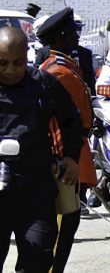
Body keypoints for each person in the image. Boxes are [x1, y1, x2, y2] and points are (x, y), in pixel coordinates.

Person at [0, 26, 82, 273]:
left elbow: (71, 121)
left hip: (35, 191)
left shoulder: (44, 83)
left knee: (38, 259)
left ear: (27, 55)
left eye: (17, 63)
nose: (10, 70)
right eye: (2, 63)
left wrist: (70, 157)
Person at [33, 9, 96, 273]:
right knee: (61, 227)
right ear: (59, 36)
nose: (76, 37)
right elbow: (59, 122)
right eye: (71, 33)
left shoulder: (63, 66)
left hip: (74, 149)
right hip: (67, 154)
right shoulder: (59, 71)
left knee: (67, 224)